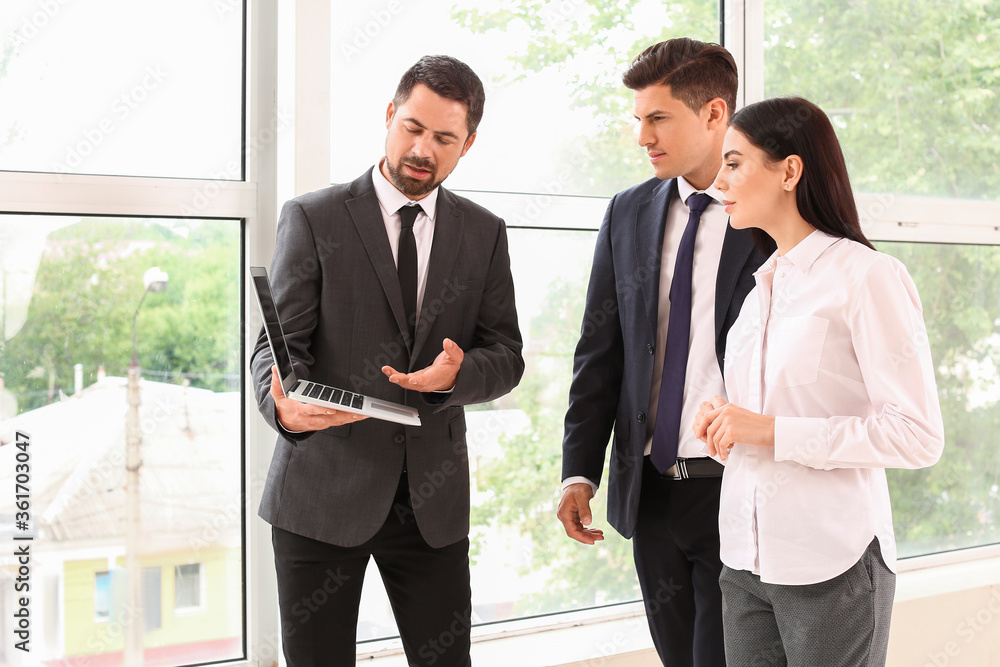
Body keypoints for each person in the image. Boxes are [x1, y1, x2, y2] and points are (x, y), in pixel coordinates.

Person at [250, 55, 524, 667]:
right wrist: (286, 411)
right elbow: (273, 347)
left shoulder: (484, 233)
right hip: (319, 495)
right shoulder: (313, 217)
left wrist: (458, 377)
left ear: (468, 144)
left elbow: (506, 355)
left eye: (444, 138)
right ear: (389, 117)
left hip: (431, 504)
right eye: (412, 127)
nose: (423, 148)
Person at [693, 96, 945, 666]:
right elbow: (764, 420)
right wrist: (726, 423)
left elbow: (916, 435)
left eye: (734, 163)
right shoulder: (760, 290)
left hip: (834, 562)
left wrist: (770, 430)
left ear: (790, 169)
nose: (718, 179)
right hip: (744, 559)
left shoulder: (866, 277)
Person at [557, 38, 768, 666]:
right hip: (650, 494)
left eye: (658, 118)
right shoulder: (628, 212)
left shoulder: (768, 212)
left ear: (712, 114)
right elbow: (599, 351)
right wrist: (579, 470)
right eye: (638, 119)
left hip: (738, 486)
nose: (643, 137)